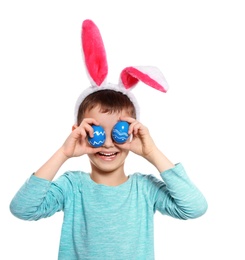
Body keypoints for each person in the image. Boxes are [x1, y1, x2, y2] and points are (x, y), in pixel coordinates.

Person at [10, 19, 208, 260]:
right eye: (97, 131)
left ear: (133, 132)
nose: (107, 143)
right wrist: (63, 152)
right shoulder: (72, 187)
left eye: (118, 131)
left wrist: (151, 152)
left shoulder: (144, 189)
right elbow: (22, 209)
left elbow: (195, 208)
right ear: (79, 131)